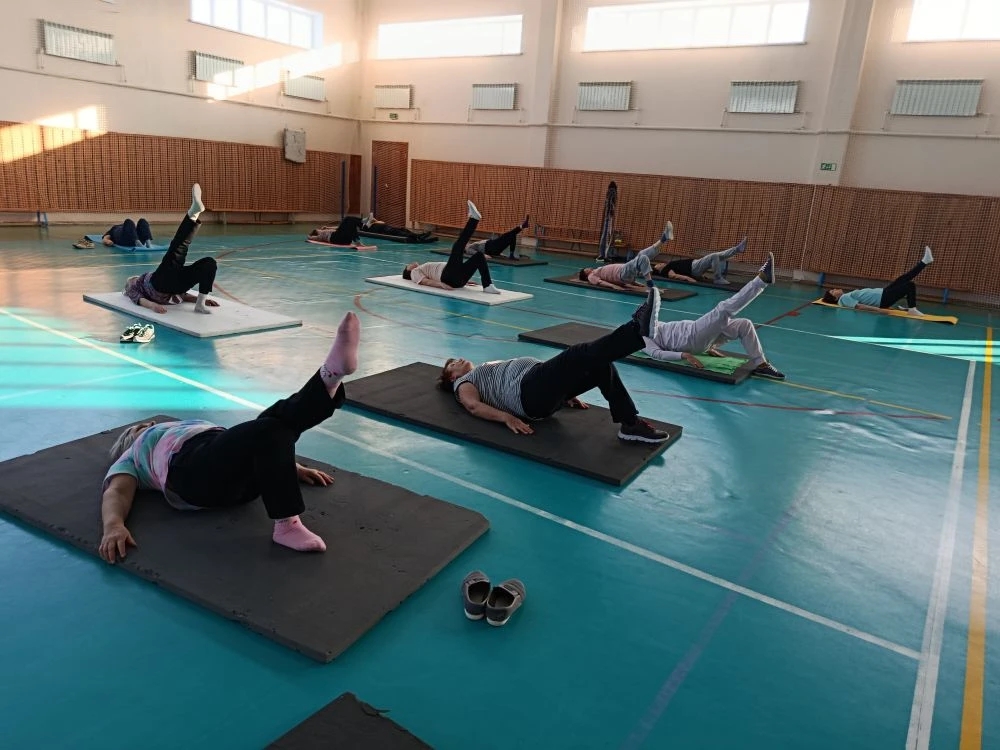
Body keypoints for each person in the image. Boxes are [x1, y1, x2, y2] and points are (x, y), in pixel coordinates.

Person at [98, 312, 362, 563]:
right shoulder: (134, 454)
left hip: (234, 475)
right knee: (267, 427)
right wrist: (113, 526)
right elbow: (116, 492)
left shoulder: (183, 427)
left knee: (272, 425)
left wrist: (290, 467)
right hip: (190, 473)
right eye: (137, 428)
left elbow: (241, 449)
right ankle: (287, 525)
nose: (147, 424)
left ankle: (331, 376)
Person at [437, 284, 671, 443]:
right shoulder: (463, 383)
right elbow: (473, 406)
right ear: (452, 377)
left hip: (542, 387)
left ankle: (630, 424)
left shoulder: (482, 369)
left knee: (601, 366)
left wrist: (565, 389)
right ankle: (636, 330)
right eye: (453, 364)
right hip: (528, 394)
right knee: (577, 353)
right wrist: (506, 418)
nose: (458, 360)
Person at [642, 252, 784, 380]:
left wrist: (707, 348)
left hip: (697, 334)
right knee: (723, 309)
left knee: (744, 325)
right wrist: (684, 355)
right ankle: (761, 281)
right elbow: (657, 354)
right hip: (690, 339)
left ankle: (761, 364)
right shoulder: (640, 338)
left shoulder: (648, 323)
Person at [122, 184, 219, 315]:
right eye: (132, 279)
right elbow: (139, 299)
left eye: (133, 278)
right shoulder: (132, 288)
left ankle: (200, 304)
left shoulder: (145, 278)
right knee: (179, 249)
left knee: (208, 263)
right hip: (160, 287)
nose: (133, 278)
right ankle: (193, 213)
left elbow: (184, 296)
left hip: (168, 282)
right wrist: (152, 306)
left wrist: (199, 299)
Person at [403, 201, 503, 295]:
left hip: (456, 279)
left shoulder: (422, 268)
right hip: (448, 277)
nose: (411, 264)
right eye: (408, 266)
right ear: (408, 271)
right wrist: (441, 285)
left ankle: (487, 285)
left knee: (479, 257)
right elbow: (425, 281)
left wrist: (466, 280)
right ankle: (473, 219)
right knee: (458, 247)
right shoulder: (414, 272)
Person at [822, 247, 934, 316]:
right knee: (909, 285)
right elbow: (859, 306)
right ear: (835, 298)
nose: (835, 289)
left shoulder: (845, 297)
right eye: (833, 291)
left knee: (903, 279)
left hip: (883, 294)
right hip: (883, 298)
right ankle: (912, 309)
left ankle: (924, 262)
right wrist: (878, 310)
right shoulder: (843, 299)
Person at [579, 222, 674, 290]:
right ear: (586, 275)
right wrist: (613, 286)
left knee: (642, 254)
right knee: (642, 258)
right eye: (586, 270)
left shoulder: (596, 270)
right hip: (622, 273)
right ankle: (651, 285)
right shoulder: (591, 276)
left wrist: (636, 283)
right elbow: (600, 282)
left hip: (625, 273)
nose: (588, 268)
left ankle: (663, 239)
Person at [652, 237, 748, 286]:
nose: (661, 263)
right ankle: (718, 278)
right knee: (714, 256)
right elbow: (674, 276)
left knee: (718, 256)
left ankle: (737, 249)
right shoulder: (665, 271)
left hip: (695, 265)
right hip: (694, 267)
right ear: (659, 270)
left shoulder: (667, 267)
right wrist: (690, 279)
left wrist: (700, 277)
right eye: (658, 265)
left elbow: (680, 271)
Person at [464, 216, 531, 260]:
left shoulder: (471, 244)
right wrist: (484, 256)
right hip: (490, 247)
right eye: (465, 244)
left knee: (512, 236)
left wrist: (499, 254)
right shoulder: (468, 248)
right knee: (507, 235)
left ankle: (511, 255)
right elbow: (474, 252)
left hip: (493, 246)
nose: (466, 243)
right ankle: (522, 226)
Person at [362, 213, 437, 243]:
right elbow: (365, 229)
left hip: (386, 227)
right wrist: (372, 222)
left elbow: (383, 222)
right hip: (384, 230)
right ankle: (417, 237)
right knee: (399, 233)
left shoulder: (375, 223)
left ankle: (418, 235)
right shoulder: (367, 227)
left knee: (402, 229)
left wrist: (375, 221)